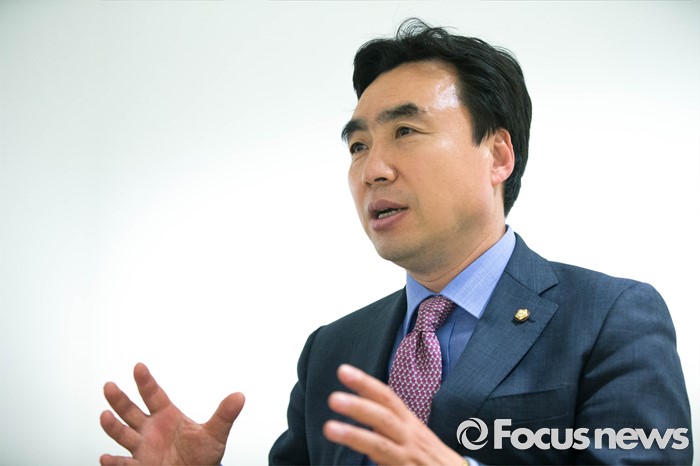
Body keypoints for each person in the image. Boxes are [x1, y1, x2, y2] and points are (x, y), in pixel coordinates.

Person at [99, 19, 693, 465]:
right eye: (358, 146)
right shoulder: (332, 349)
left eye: (406, 130)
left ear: (497, 155)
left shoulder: (610, 317)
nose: (373, 170)